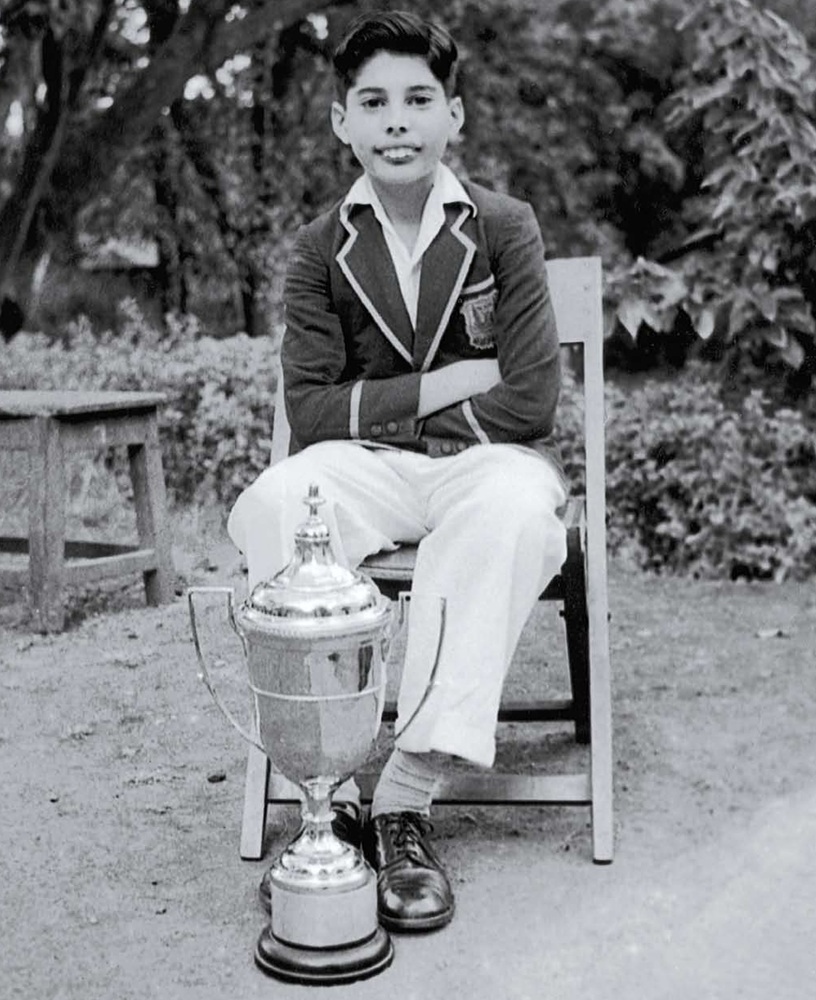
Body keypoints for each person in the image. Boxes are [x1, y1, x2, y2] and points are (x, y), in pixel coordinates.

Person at [227, 9, 567, 933]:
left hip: (484, 464)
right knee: (277, 500)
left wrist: (381, 401)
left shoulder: (504, 227)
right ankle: (327, 800)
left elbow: (531, 401)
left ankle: (406, 799)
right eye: (373, 103)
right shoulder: (319, 247)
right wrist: (449, 382)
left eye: (419, 99)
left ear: (454, 114)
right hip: (365, 468)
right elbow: (312, 413)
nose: (397, 122)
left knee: (515, 510)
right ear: (343, 121)